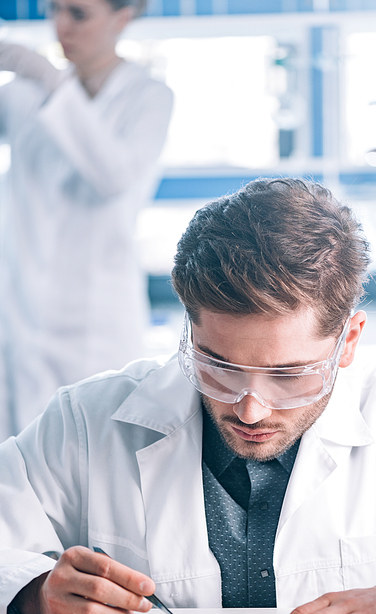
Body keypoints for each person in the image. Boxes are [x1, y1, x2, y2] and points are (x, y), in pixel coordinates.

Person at [0, 177, 376, 614]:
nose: (250, 409)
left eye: (288, 375)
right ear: (191, 332)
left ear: (348, 341)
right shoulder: (86, 422)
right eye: (219, 367)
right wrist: (35, 594)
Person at [0, 0, 173, 440]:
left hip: (96, 314)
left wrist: (55, 84)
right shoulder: (21, 95)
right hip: (22, 306)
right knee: (21, 457)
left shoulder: (149, 97)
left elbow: (112, 177)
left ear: (124, 15)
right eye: (54, 10)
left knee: (96, 449)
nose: (61, 26)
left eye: (78, 14)